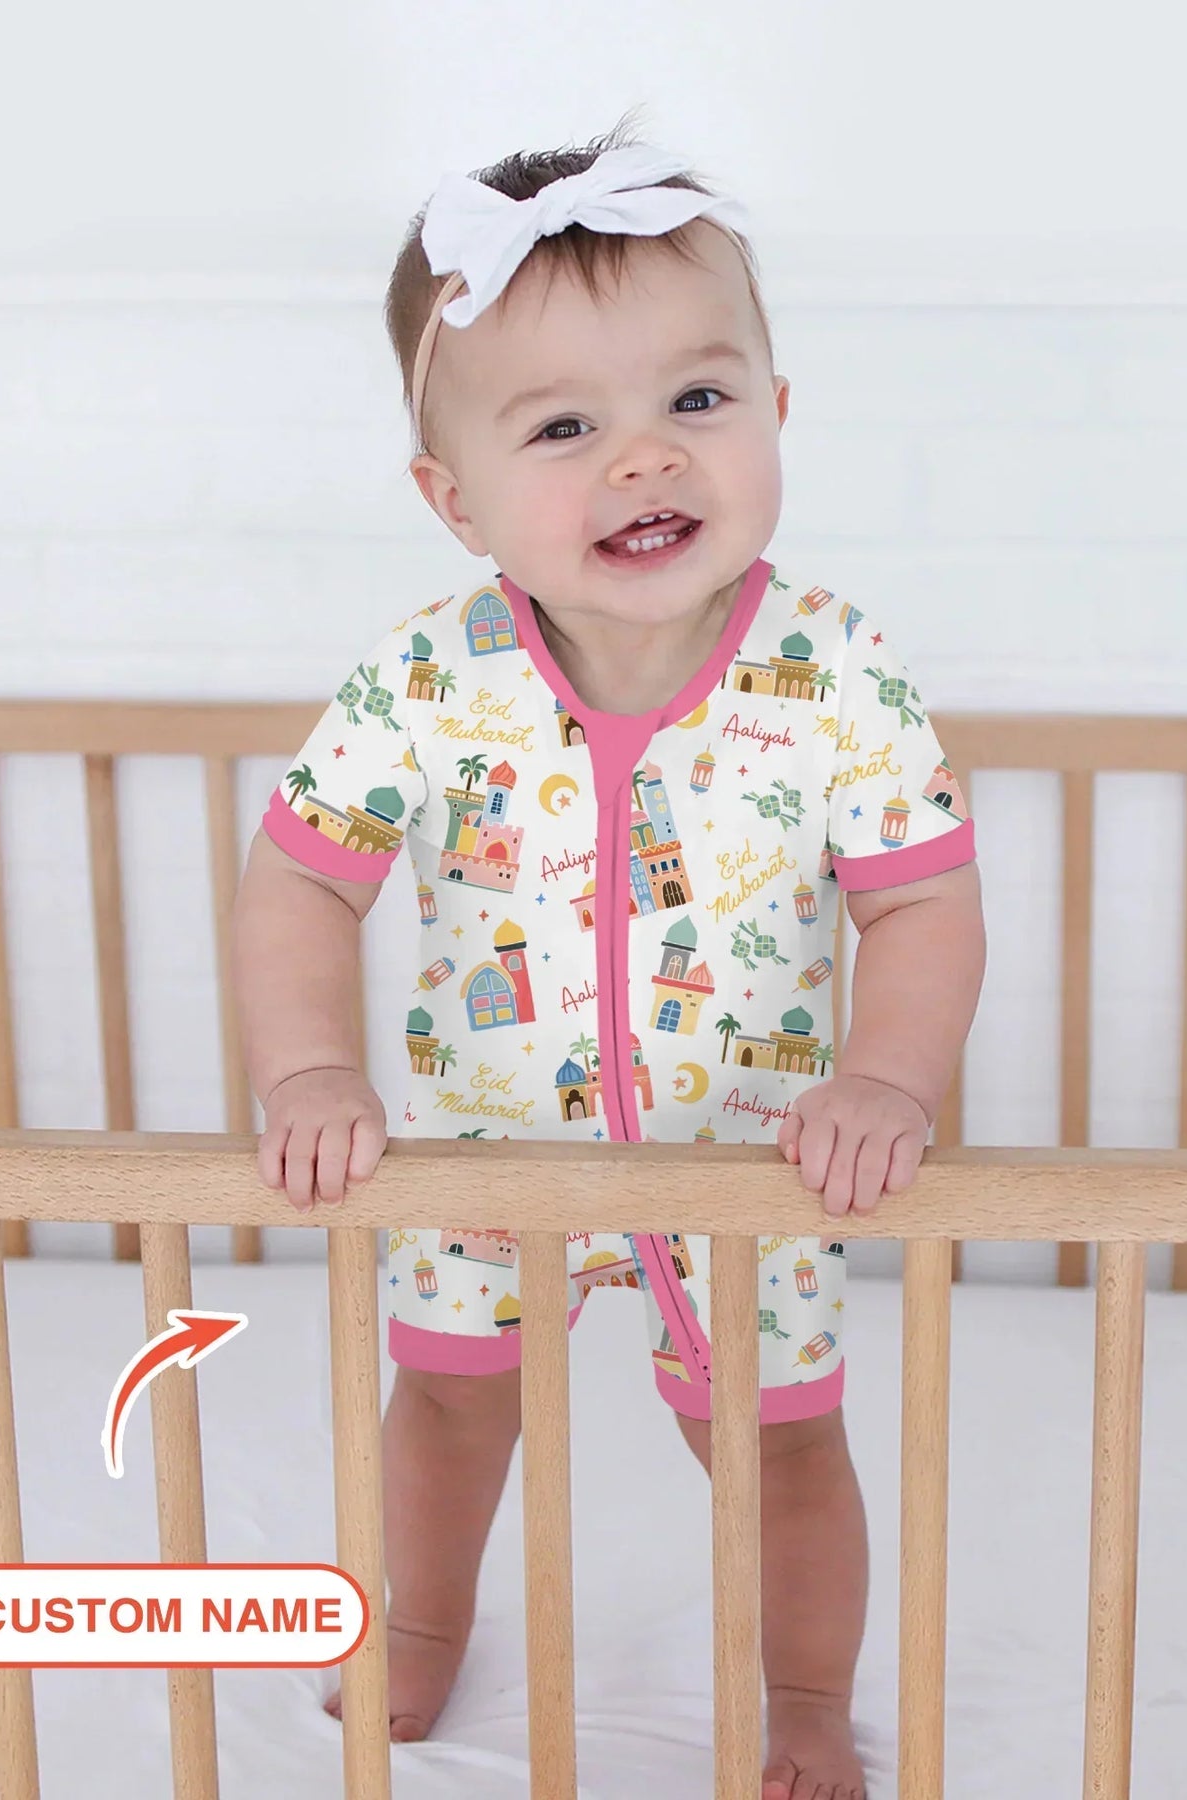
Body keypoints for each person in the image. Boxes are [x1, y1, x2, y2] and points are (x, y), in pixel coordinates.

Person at [232, 112, 986, 1800]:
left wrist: (886, 1078)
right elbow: (298, 885)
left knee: (782, 1445)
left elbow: (925, 905)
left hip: (755, 1160)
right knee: (446, 1411)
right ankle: (421, 1628)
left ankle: (806, 1697)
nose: (646, 459)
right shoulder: (427, 681)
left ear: (775, 409)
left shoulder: (837, 675)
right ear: (454, 499)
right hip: (480, 1151)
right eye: (567, 426)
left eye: (696, 401)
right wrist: (310, 1068)